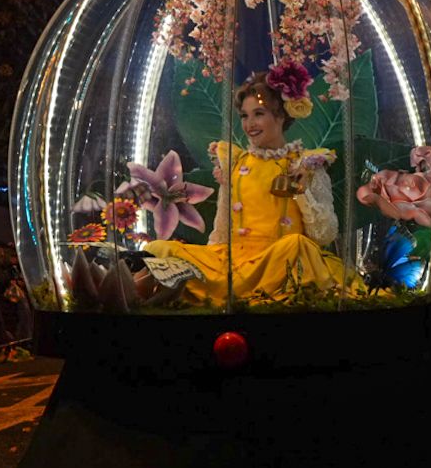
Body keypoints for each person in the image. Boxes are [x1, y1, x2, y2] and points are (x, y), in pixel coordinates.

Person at [143, 70, 344, 306]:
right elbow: (222, 230)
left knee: (295, 245)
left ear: (281, 116)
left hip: (278, 261)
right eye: (244, 116)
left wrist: (301, 192)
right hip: (235, 261)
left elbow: (325, 235)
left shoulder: (306, 164)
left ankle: (222, 291)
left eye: (259, 114)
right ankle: (143, 290)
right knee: (158, 249)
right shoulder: (235, 163)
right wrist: (208, 264)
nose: (250, 124)